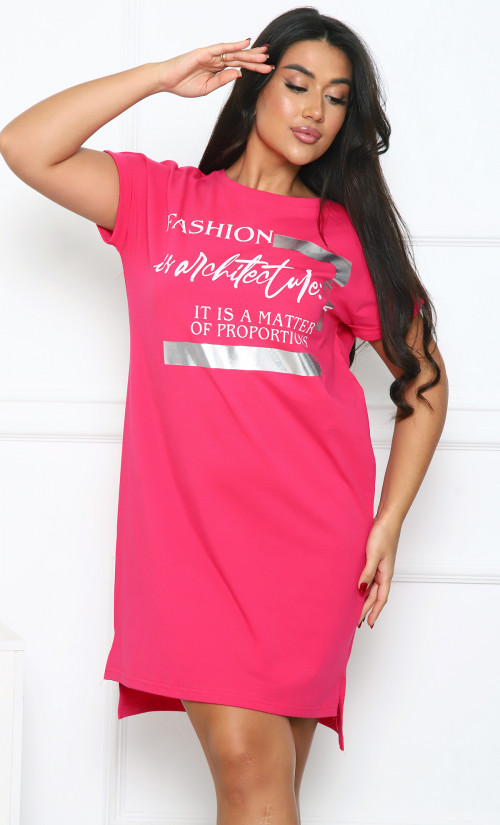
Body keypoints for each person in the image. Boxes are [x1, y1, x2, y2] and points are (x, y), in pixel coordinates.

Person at [0, 7, 448, 824]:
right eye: (297, 84)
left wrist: (388, 522)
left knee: (258, 788)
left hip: (310, 543)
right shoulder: (159, 201)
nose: (315, 110)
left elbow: (424, 381)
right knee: (252, 776)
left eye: (337, 97)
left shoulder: (344, 238)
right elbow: (26, 145)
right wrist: (159, 77)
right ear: (254, 87)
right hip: (190, 545)